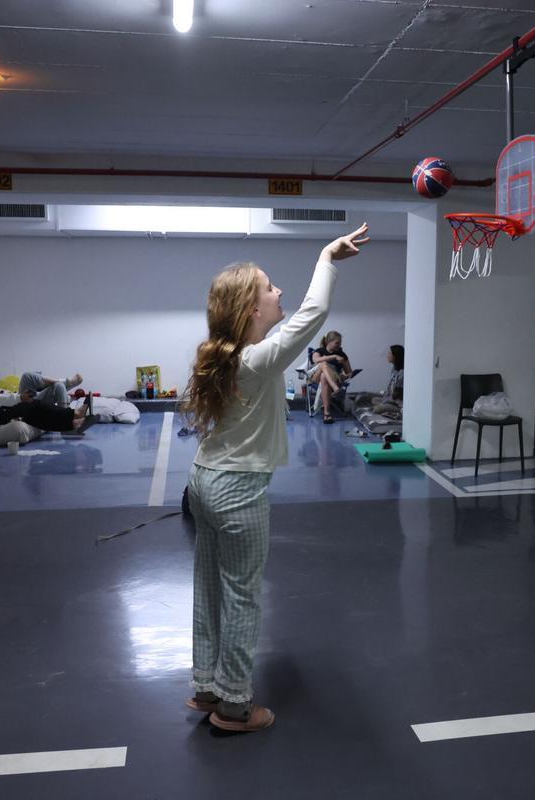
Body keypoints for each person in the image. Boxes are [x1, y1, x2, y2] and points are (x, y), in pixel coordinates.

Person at [180, 223, 371, 732]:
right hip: (238, 490)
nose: (278, 291)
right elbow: (314, 315)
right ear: (250, 309)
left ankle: (206, 687)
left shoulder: (224, 355)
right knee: (242, 594)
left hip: (203, 481)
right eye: (269, 287)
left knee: (210, 589)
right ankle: (235, 707)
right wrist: (326, 258)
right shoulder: (258, 359)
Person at [0, 357, 92, 433]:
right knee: (33, 406)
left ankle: (72, 423)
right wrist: (19, 398)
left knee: (31, 414)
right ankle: (74, 415)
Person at [310, 330, 353, 423]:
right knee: (323, 364)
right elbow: (316, 360)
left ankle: (327, 414)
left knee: (324, 377)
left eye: (340, 343)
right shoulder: (319, 351)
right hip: (316, 380)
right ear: (328, 342)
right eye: (337, 343)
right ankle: (336, 389)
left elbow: (349, 372)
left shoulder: (342, 355)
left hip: (333, 379)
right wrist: (333, 356)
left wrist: (345, 376)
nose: (339, 345)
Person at [18, 371, 84, 407]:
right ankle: (65, 382)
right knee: (26, 376)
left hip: (33, 399)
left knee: (59, 385)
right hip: (26, 405)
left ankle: (65, 382)